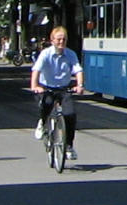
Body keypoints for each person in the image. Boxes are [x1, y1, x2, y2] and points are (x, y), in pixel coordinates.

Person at [29, 25, 85, 162]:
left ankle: (69, 146)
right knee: (46, 104)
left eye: (64, 39)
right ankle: (43, 123)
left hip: (63, 88)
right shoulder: (45, 54)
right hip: (46, 88)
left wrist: (79, 85)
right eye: (59, 39)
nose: (61, 42)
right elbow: (36, 70)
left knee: (70, 114)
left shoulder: (70, 54)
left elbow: (78, 70)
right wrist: (35, 86)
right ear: (52, 40)